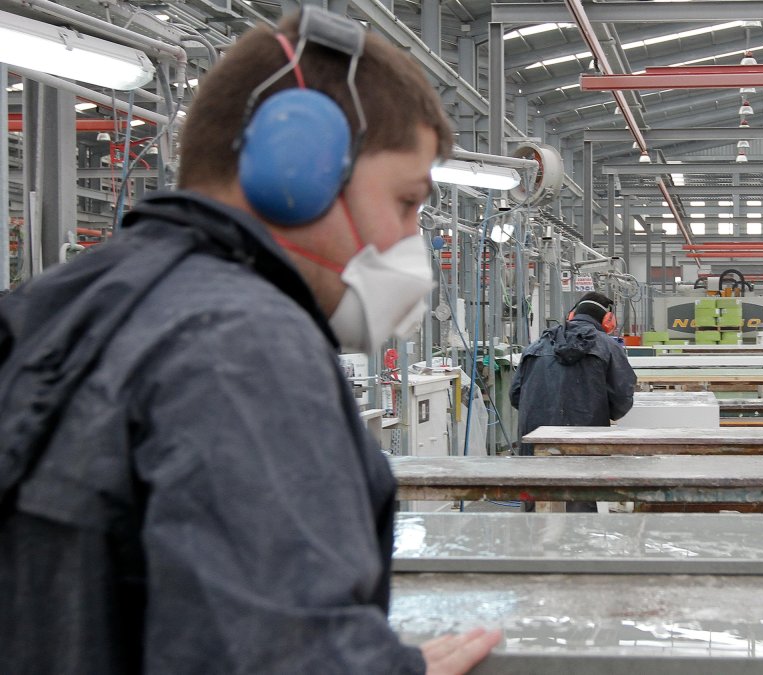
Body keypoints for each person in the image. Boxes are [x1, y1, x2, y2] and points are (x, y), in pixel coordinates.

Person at [0, 8, 498, 674]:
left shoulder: (53, 307)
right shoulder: (245, 345)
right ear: (300, 166)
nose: (412, 242)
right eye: (407, 202)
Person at [509, 292, 636, 511]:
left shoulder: (536, 346)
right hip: (584, 445)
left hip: (536, 445)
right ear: (607, 321)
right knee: (580, 507)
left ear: (571, 315)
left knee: (536, 509)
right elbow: (622, 400)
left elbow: (516, 395)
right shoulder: (609, 348)